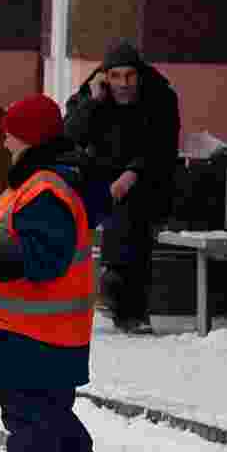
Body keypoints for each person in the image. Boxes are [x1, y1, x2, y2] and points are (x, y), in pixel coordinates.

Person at [0, 94, 108, 452]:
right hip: (43, 327)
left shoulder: (45, 187)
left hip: (35, 328)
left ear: (28, 139)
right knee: (47, 408)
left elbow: (42, 254)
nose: (5, 142)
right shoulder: (38, 181)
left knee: (29, 413)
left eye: (10, 135)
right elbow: (17, 233)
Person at [63, 39, 180, 334]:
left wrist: (132, 173)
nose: (123, 84)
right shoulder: (92, 94)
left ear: (139, 75)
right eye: (116, 77)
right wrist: (92, 101)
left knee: (131, 210)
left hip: (147, 176)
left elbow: (162, 145)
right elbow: (70, 136)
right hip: (100, 174)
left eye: (129, 76)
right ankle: (117, 296)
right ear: (105, 77)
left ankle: (121, 294)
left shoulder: (160, 97)